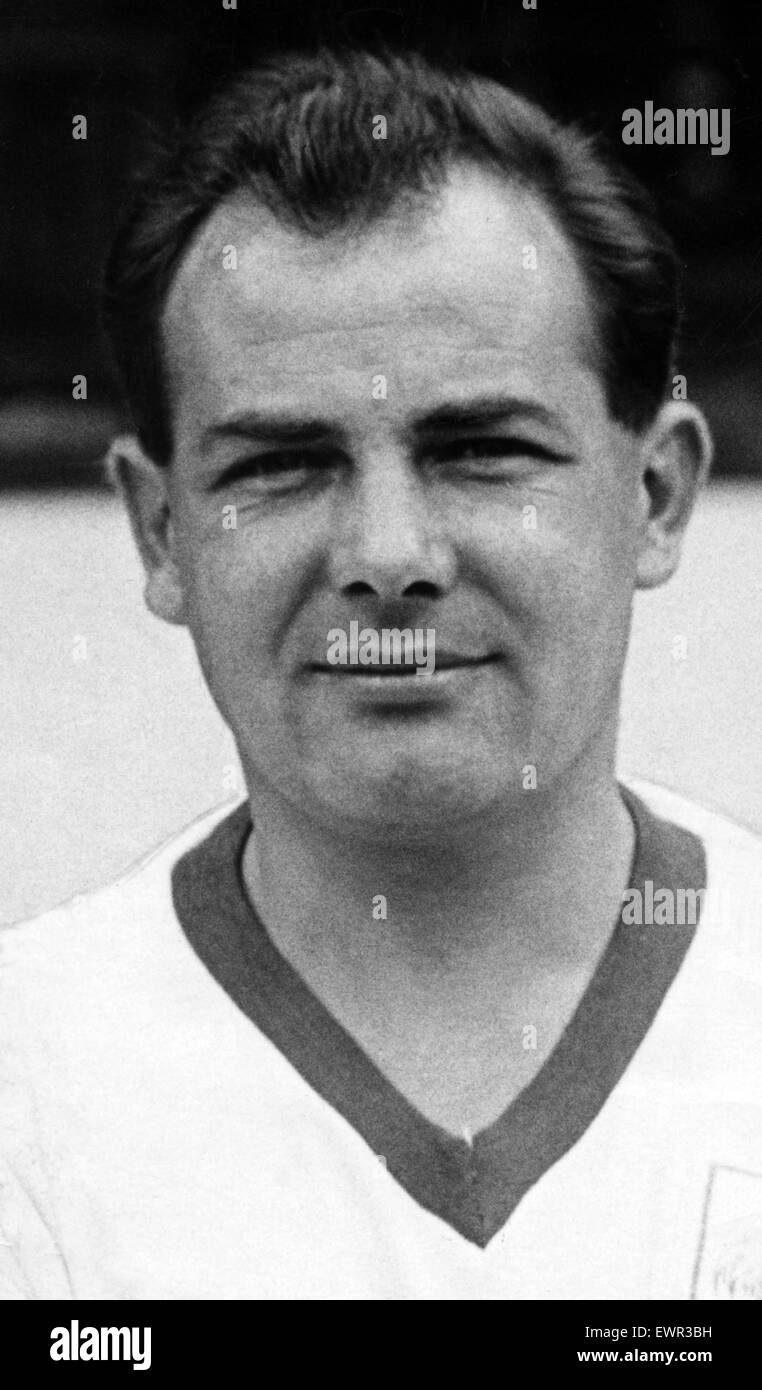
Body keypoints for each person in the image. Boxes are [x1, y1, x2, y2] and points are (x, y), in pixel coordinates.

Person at [2, 47, 760, 1302]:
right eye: (280, 466)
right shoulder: (32, 1092)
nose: (389, 556)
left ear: (656, 494)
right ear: (160, 531)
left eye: (480, 448)